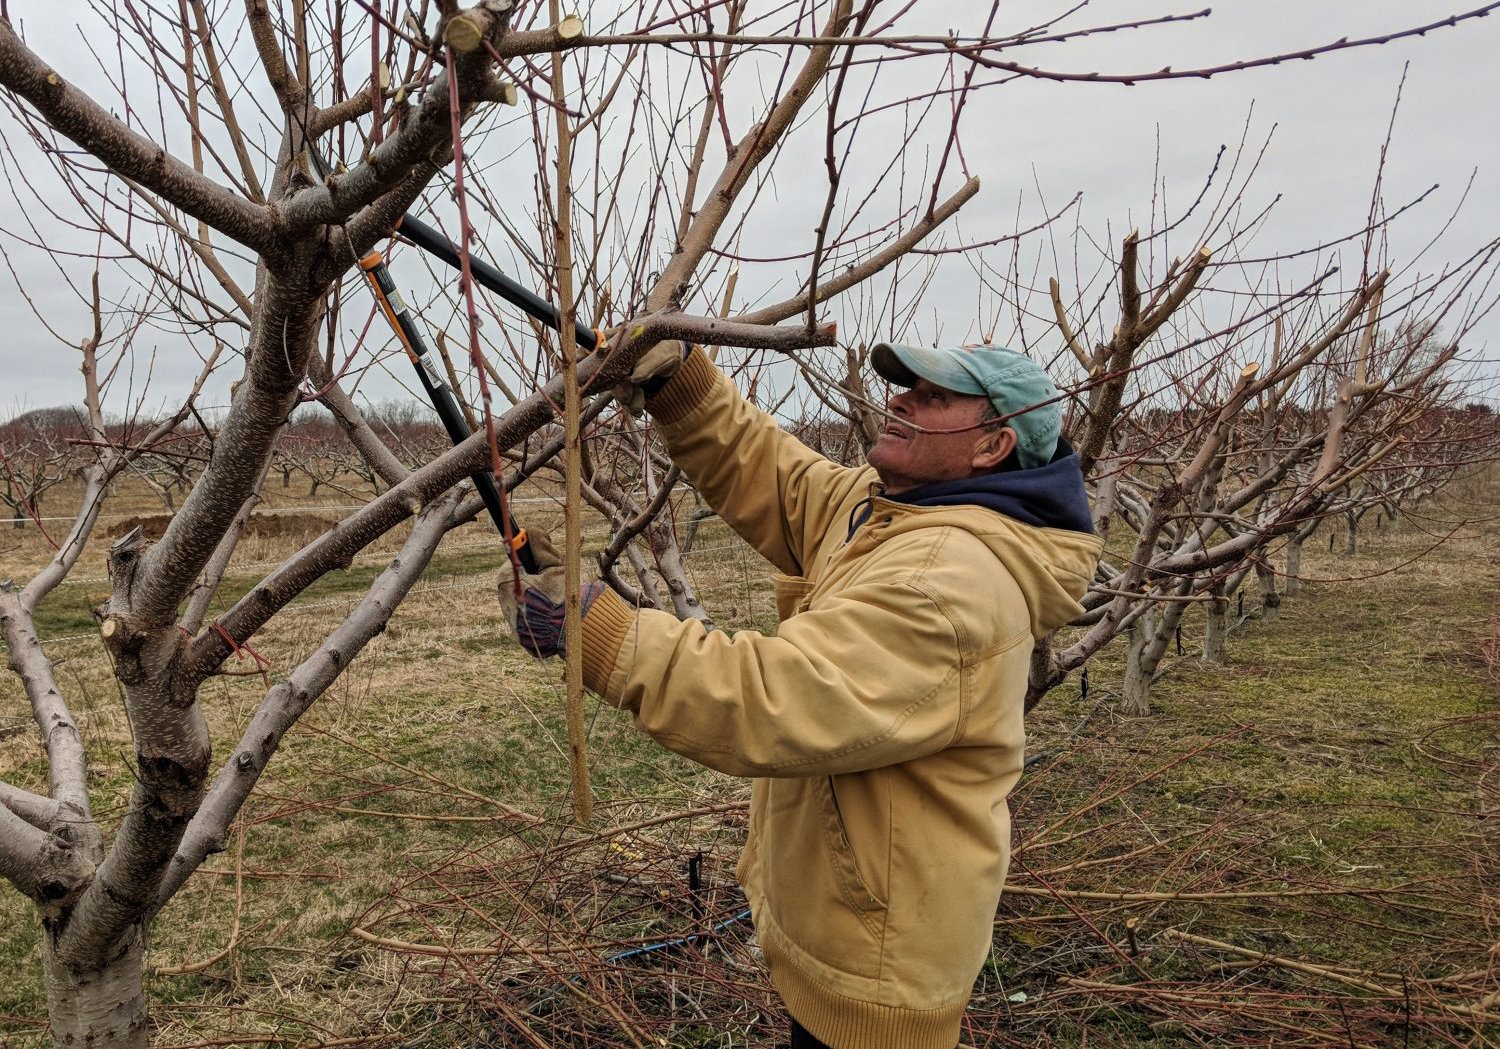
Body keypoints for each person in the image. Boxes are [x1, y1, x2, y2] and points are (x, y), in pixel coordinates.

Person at [510, 340, 1103, 1049]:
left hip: (879, 977)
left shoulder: (949, 582)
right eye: (906, 385)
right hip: (849, 929)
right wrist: (681, 385)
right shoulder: (893, 510)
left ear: (993, 445)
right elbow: (781, 479)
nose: (900, 398)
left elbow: (771, 698)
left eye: (934, 396)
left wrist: (595, 631)